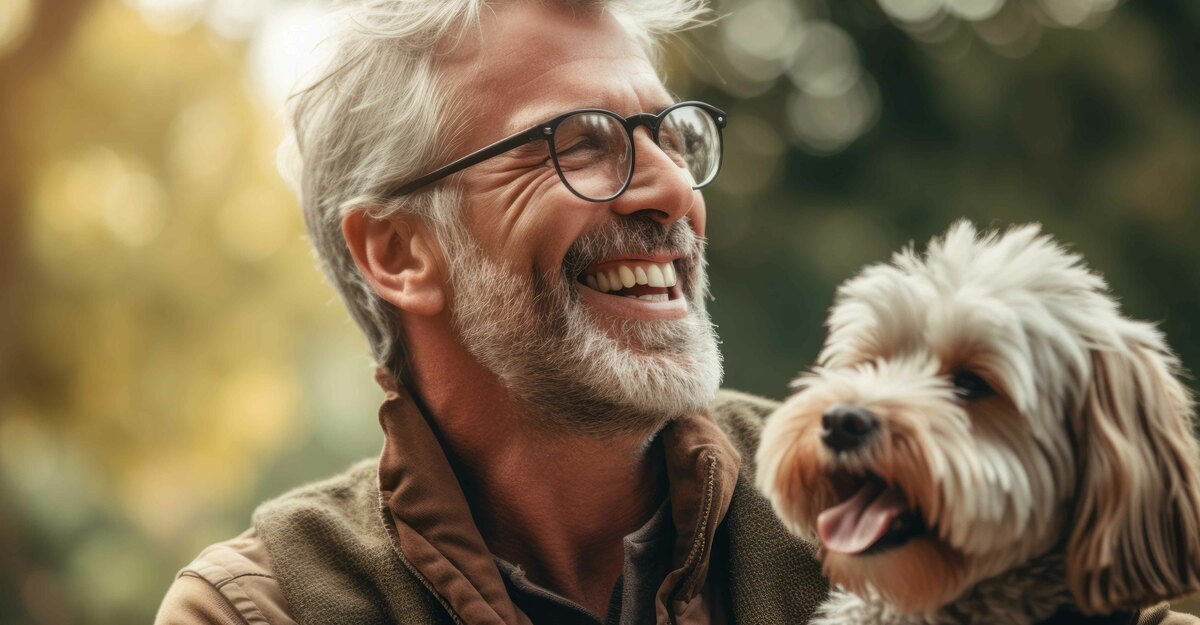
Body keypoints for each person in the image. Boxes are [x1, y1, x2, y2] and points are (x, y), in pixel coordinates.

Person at [154, 0, 825, 623]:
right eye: (579, 143)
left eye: (671, 138)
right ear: (398, 252)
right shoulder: (259, 608)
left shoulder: (851, 498)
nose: (674, 189)